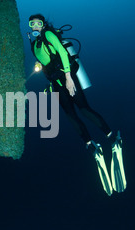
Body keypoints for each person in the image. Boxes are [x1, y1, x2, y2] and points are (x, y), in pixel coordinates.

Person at [28, 14, 126, 196]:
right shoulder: (34, 44)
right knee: (70, 116)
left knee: (84, 110)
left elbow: (63, 54)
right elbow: (46, 65)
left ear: (43, 24)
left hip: (68, 79)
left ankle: (113, 138)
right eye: (32, 23)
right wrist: (50, 87)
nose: (35, 26)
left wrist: (68, 78)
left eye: (38, 23)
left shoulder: (49, 34)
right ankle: (90, 145)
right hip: (56, 84)